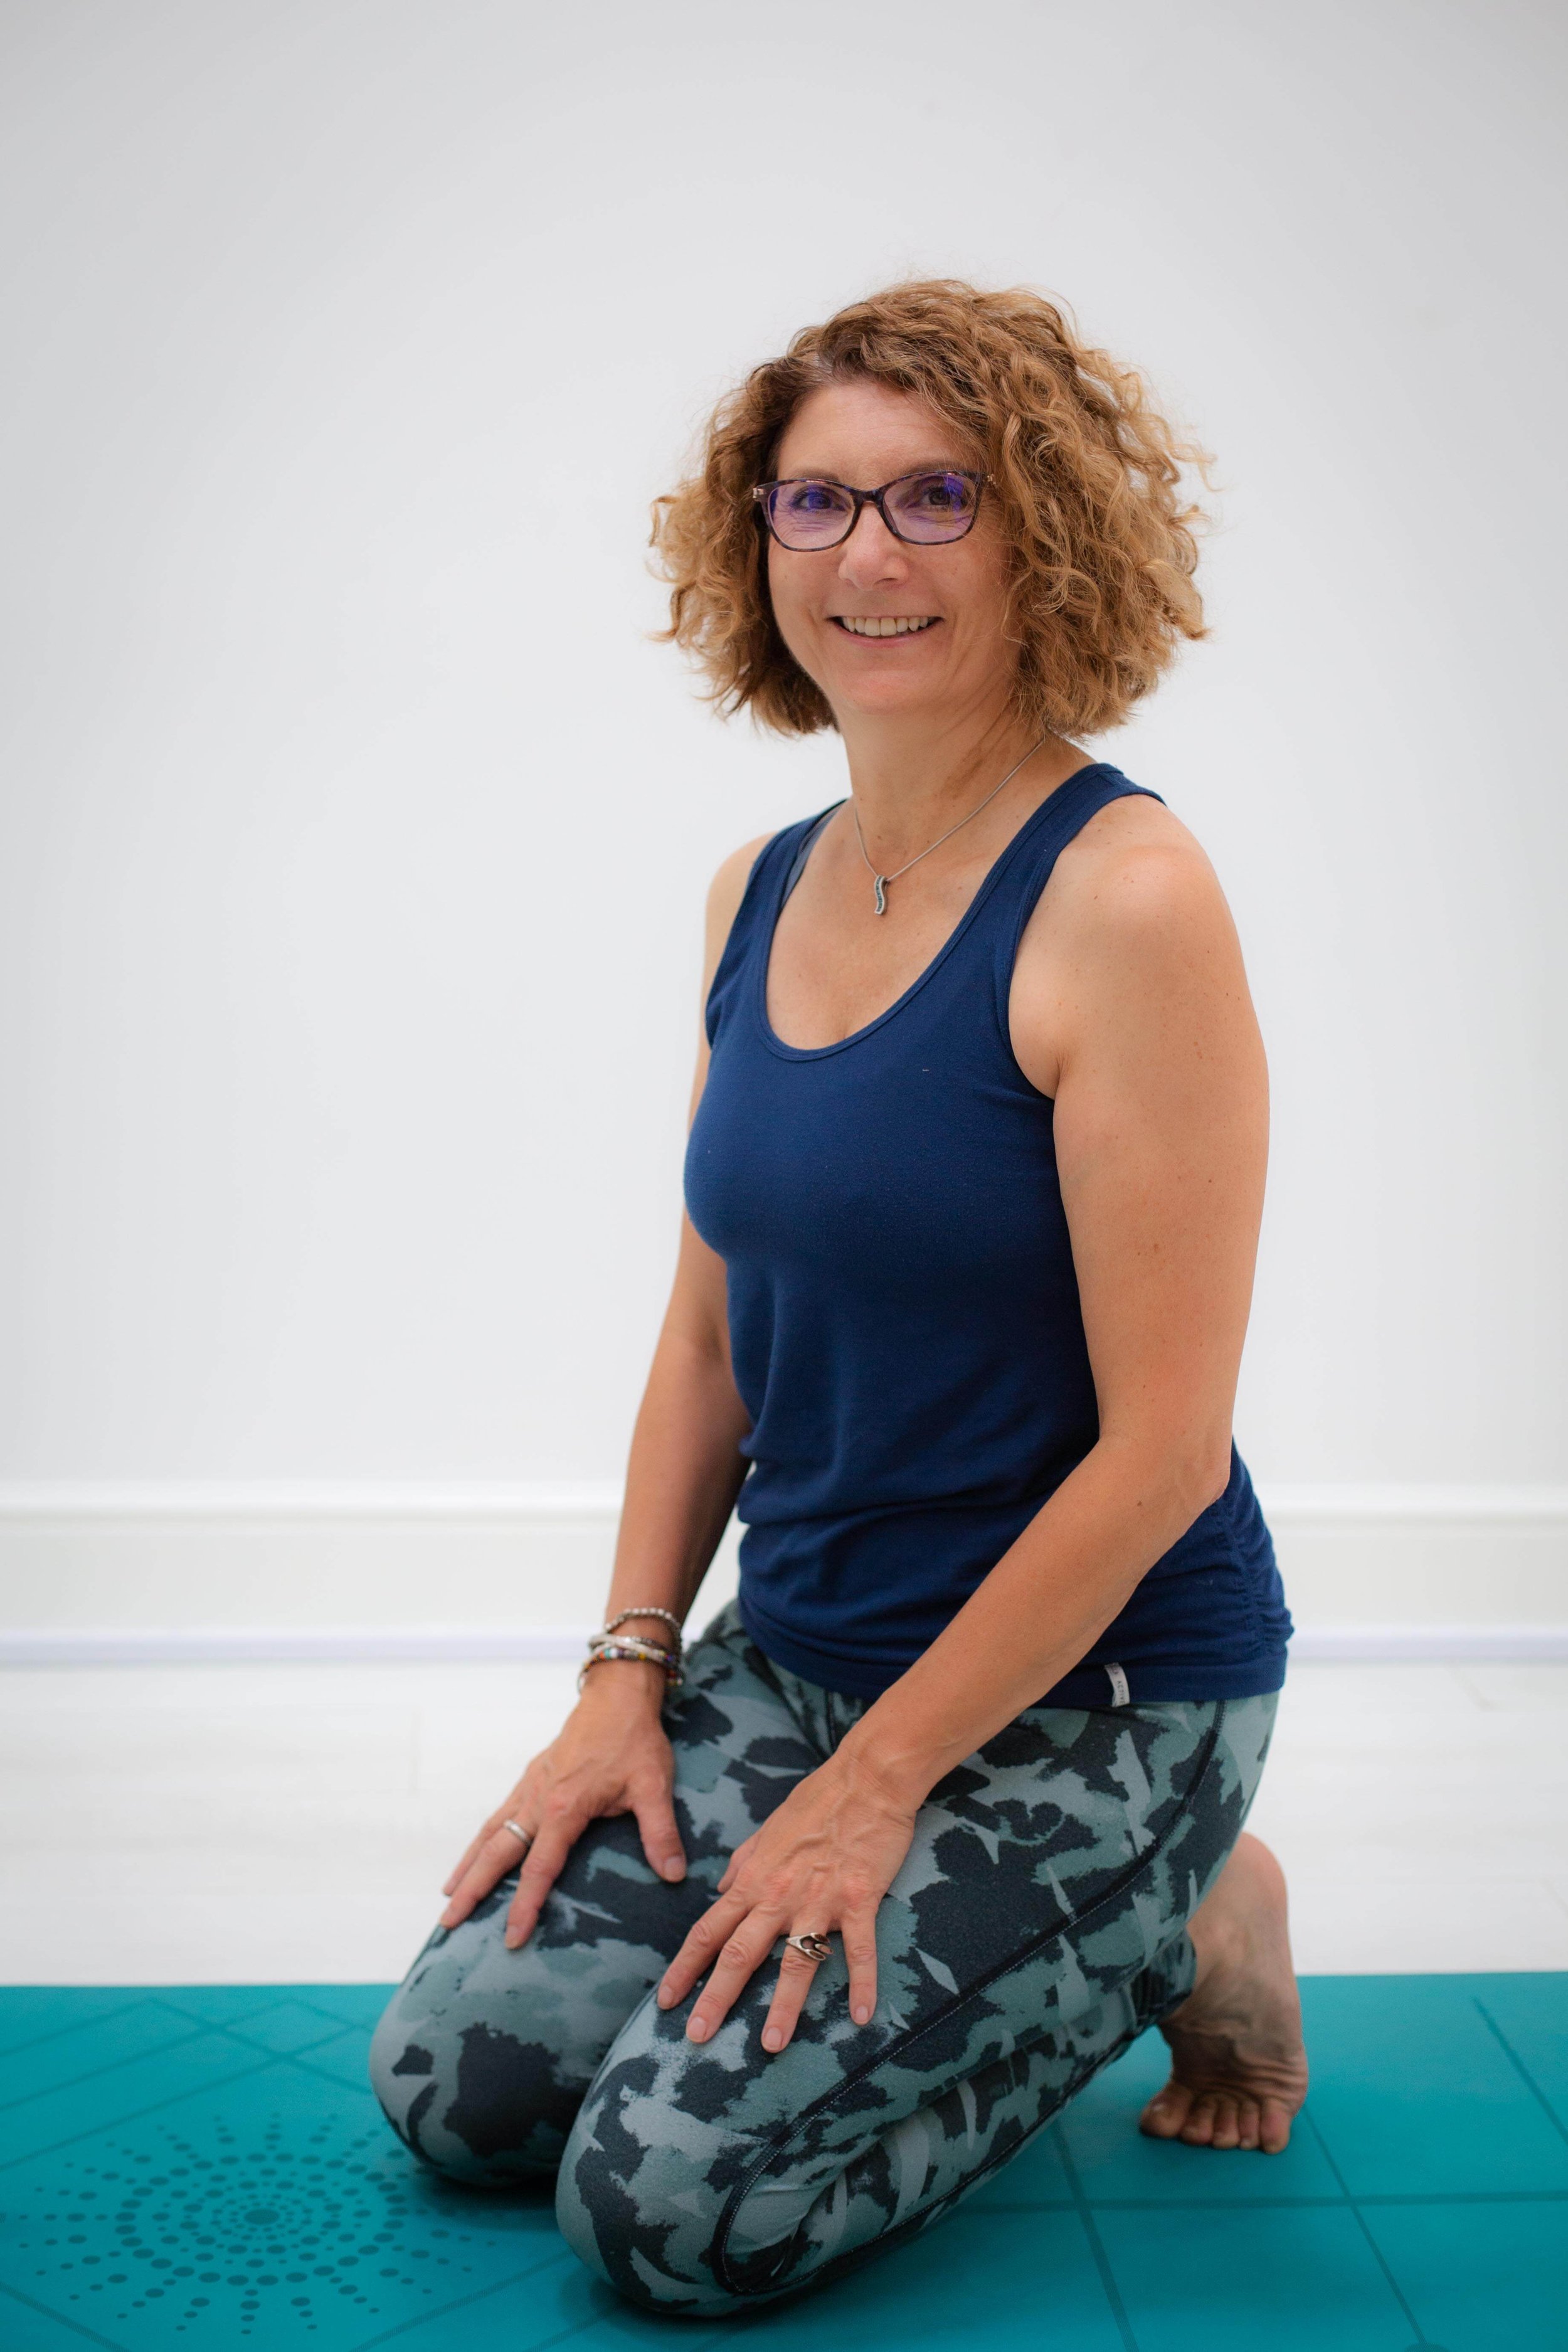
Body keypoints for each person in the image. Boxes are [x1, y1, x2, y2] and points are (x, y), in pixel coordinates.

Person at [369, 278, 1308, 2316]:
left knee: (672, 2216)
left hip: (1093, 1700)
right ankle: (1073, 1908)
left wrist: (873, 1793)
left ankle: (1189, 1901)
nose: (869, 553)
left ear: (1042, 535)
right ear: (761, 543)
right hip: (794, 1661)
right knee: (462, 2090)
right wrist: (623, 1678)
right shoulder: (757, 888)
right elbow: (709, 1342)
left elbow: (1163, 1455)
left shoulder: (1125, 899)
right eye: (817, 502)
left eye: (935, 496)